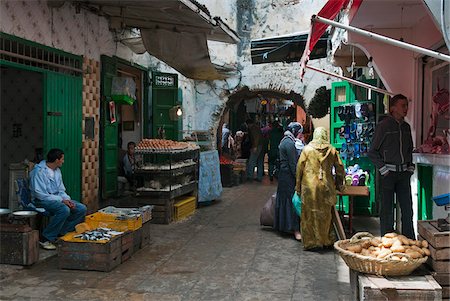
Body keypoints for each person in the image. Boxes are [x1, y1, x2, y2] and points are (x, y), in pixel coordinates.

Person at [368, 94, 415, 239]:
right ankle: (387, 242)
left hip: (403, 175)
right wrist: (384, 170)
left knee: (407, 210)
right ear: (393, 108)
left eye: (407, 105)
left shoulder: (406, 127)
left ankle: (409, 243)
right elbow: (372, 151)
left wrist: (410, 167)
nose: (406, 109)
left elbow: (409, 149)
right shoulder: (384, 126)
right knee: (387, 211)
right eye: (403, 106)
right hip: (388, 175)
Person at [296, 127, 345, 250]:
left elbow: (299, 169)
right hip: (326, 187)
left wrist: (298, 187)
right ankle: (325, 240)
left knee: (309, 214)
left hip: (309, 187)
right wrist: (339, 184)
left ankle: (311, 242)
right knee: (325, 215)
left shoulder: (306, 150)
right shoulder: (332, 150)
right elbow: (340, 169)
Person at [29, 148, 87, 250]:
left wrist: (66, 199)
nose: (63, 162)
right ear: (57, 160)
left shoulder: (57, 171)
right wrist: (61, 200)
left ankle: (60, 233)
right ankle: (45, 238)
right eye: (62, 159)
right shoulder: (38, 172)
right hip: (41, 201)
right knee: (64, 209)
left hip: (57, 199)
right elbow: (40, 194)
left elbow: (61, 190)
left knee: (81, 208)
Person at [273, 122, 303, 240]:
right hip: (288, 177)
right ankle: (294, 229)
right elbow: (292, 164)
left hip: (283, 176)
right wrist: (298, 178)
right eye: (299, 132)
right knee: (292, 202)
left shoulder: (284, 141)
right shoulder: (289, 143)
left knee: (285, 200)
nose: (299, 135)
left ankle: (283, 226)